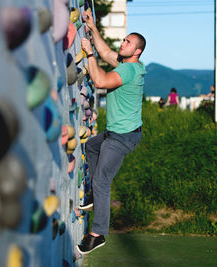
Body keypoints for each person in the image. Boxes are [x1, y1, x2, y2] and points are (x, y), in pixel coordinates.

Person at [76, 9, 146, 255]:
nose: (123, 43)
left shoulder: (127, 70)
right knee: (92, 145)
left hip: (122, 137)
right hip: (119, 132)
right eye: (124, 39)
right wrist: (93, 27)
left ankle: (97, 235)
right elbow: (108, 52)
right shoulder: (131, 65)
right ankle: (95, 194)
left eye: (128, 42)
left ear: (136, 51)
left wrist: (89, 53)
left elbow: (101, 81)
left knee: (103, 180)